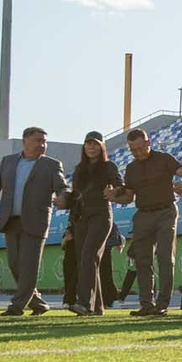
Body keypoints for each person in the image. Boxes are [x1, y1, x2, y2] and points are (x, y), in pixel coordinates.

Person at [0, 128, 68, 316]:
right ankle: (37, 302)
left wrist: (63, 198)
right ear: (25, 141)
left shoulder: (51, 165)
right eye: (37, 140)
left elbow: (62, 187)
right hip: (11, 220)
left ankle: (17, 306)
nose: (42, 145)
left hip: (36, 221)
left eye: (44, 141)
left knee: (29, 266)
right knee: (14, 264)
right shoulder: (8, 162)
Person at [117, 127, 182, 316]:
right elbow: (128, 197)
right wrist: (115, 196)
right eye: (133, 150)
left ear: (148, 143)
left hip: (166, 211)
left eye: (141, 148)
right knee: (142, 260)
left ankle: (162, 304)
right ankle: (146, 304)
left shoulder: (164, 158)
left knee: (166, 257)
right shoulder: (131, 168)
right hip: (142, 214)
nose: (138, 153)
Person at [64, 131, 125, 315]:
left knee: (89, 256)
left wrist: (114, 191)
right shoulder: (78, 169)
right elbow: (75, 197)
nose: (91, 147)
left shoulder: (108, 166)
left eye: (95, 144)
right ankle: (97, 308)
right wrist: (70, 227)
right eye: (88, 143)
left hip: (100, 215)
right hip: (81, 218)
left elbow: (119, 184)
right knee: (86, 261)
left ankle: (84, 303)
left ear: (102, 146)